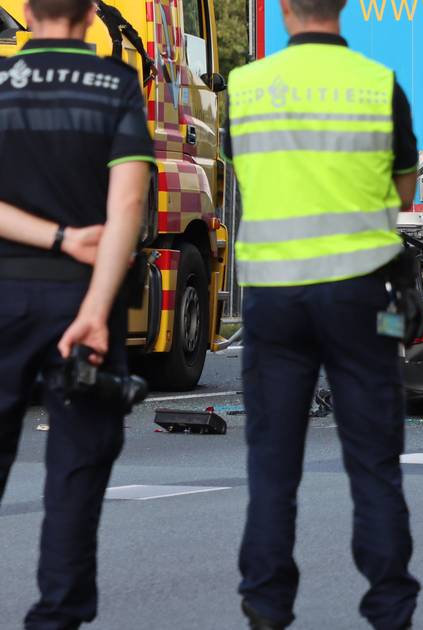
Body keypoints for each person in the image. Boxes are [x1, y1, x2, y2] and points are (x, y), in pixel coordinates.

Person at [224, 0, 421, 625]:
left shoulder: (245, 86)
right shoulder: (378, 85)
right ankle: (390, 608)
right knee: (374, 462)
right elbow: (406, 190)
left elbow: (245, 170)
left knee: (272, 463)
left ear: (285, 9)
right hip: (361, 295)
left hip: (274, 298)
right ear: (342, 8)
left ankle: (265, 605)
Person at [0, 0, 154, 625]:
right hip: (84, 300)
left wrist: (54, 236)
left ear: (29, 12)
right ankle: (55, 618)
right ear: (92, 15)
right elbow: (129, 208)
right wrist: (92, 309)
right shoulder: (116, 85)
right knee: (75, 470)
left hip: (3, 297)